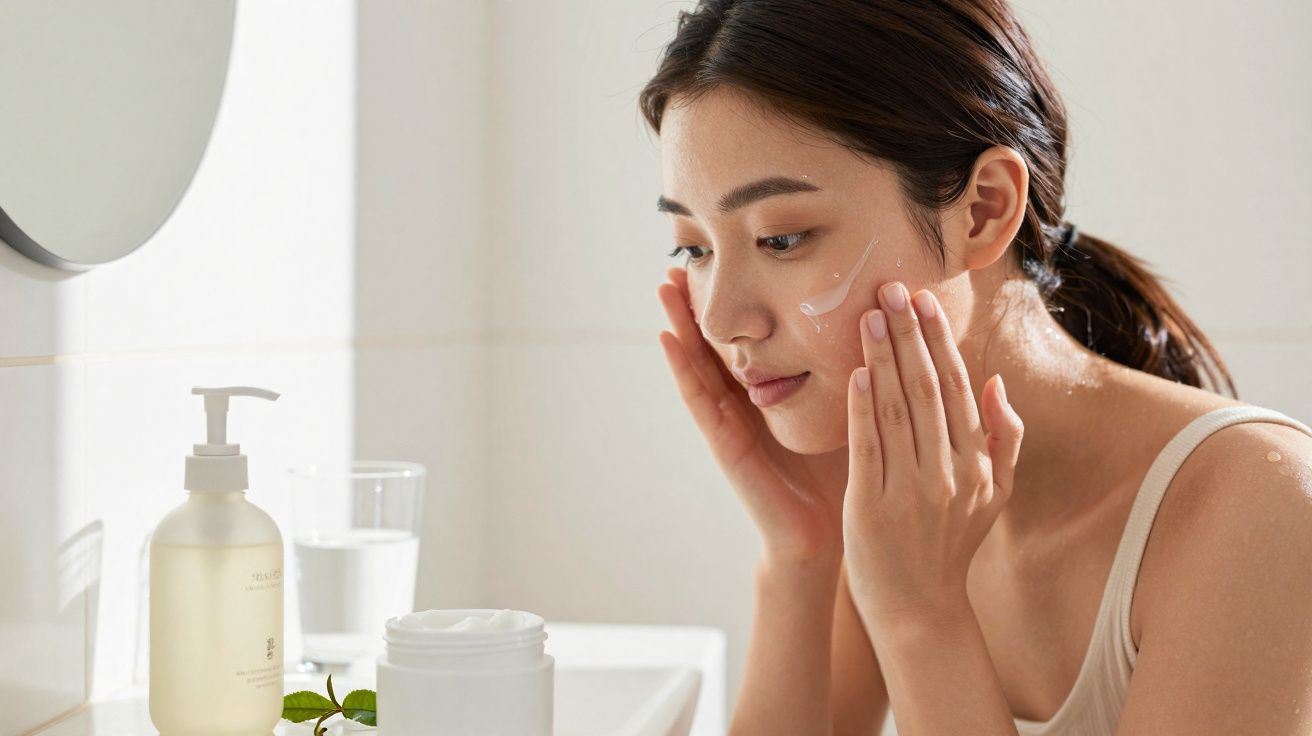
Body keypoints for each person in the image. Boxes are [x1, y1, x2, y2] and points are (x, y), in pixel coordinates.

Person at [640, 1, 1312, 734]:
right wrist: (801, 554)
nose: (721, 318)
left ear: (985, 211)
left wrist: (921, 616)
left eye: (782, 238)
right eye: (694, 248)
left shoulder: (1260, 508)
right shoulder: (893, 499)